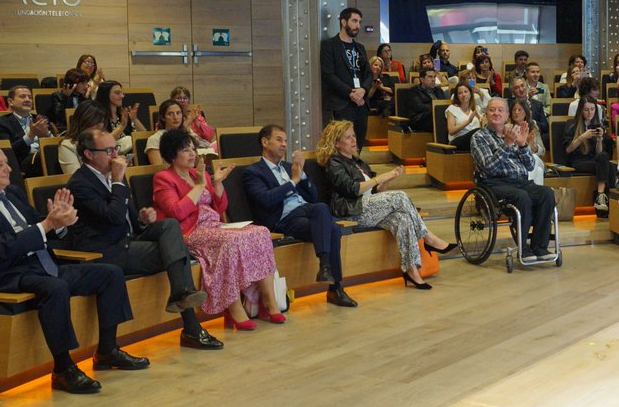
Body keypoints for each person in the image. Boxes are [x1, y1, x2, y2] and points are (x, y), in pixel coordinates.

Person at [0, 143, 145, 394]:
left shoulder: (13, 193)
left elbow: (41, 228)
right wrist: (46, 225)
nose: (9, 169)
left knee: (110, 273)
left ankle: (107, 350)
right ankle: (63, 368)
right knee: (55, 287)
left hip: (40, 265)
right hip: (4, 275)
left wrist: (59, 222)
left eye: (7, 162)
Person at [66, 128, 221, 349]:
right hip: (107, 250)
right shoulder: (80, 184)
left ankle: (181, 297)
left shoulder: (113, 175)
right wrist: (119, 181)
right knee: (178, 250)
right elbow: (112, 216)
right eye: (109, 150)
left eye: (116, 149)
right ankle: (190, 324)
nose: (115, 155)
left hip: (130, 239)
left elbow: (125, 217)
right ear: (89, 154)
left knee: (168, 225)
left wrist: (142, 218)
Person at [153, 129, 284, 329]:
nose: (192, 154)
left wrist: (217, 184)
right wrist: (199, 185)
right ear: (172, 154)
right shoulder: (164, 178)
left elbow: (220, 207)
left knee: (261, 232)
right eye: (185, 150)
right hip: (191, 231)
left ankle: (269, 303)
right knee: (230, 242)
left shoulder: (199, 174)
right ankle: (234, 308)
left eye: (192, 149)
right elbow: (176, 212)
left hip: (214, 225)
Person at [317, 120, 456, 289]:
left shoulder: (359, 163)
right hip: (352, 211)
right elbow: (353, 190)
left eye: (353, 136)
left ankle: (412, 271)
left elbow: (376, 193)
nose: (354, 140)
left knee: (402, 219)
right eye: (348, 137)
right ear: (337, 143)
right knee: (400, 196)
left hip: (369, 208)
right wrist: (380, 177)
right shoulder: (334, 163)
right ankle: (428, 238)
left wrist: (388, 179)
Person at [242, 125, 355, 307]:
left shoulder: (289, 167)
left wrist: (301, 175)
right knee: (330, 225)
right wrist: (293, 181)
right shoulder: (253, 172)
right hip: (282, 220)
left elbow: (313, 197)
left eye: (286, 141)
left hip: (305, 213)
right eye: (279, 140)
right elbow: (266, 200)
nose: (284, 144)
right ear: (265, 142)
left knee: (327, 219)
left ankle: (328, 272)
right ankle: (335, 287)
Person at [471, 97, 557, 263]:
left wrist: (523, 145)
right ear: (486, 114)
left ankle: (539, 246)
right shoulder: (479, 137)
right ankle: (522, 247)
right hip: (494, 184)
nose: (496, 113)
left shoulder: (514, 133)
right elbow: (489, 168)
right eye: (492, 110)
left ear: (507, 115)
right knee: (521, 197)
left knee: (546, 193)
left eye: (500, 110)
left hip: (520, 181)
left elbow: (531, 165)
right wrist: (507, 144)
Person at [320, 6, 373, 149]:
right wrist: (351, 93)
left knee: (358, 142)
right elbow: (329, 75)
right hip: (342, 103)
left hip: (361, 103)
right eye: (354, 21)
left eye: (359, 22)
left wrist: (363, 90)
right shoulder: (329, 45)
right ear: (344, 22)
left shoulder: (360, 48)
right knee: (344, 144)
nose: (358, 26)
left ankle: (357, 170)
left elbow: (368, 74)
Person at [0, 85, 52, 177]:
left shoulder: (40, 119)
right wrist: (30, 136)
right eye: (22, 97)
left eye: (30, 97)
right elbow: (6, 152)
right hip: (20, 162)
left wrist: (47, 136)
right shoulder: (2, 123)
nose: (28, 100)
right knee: (43, 157)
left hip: (44, 156)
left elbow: (52, 144)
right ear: (10, 102)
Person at [563, 96, 612, 214]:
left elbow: (599, 154)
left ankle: (600, 197)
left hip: (594, 160)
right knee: (609, 167)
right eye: (586, 110)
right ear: (580, 110)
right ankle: (603, 201)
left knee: (605, 158)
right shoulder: (572, 125)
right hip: (578, 161)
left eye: (592, 109)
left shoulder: (597, 125)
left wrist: (600, 139)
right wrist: (582, 137)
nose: (590, 113)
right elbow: (568, 149)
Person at [94, 81, 143, 157]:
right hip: (108, 156)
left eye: (122, 93)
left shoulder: (123, 114)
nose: (122, 96)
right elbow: (103, 143)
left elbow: (143, 137)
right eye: (117, 93)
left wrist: (135, 119)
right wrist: (122, 126)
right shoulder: (98, 117)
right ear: (106, 95)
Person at [59, 101, 109, 174]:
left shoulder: (104, 143)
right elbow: (76, 178)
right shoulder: (68, 146)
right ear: (83, 121)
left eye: (101, 121)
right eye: (94, 121)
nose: (99, 126)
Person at [170, 86, 218, 155]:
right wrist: (189, 120)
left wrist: (197, 122)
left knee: (221, 142)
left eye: (185, 98)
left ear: (189, 101)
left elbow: (209, 137)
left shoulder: (195, 114)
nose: (182, 101)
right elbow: (173, 137)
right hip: (184, 148)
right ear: (172, 100)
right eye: (178, 98)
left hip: (204, 145)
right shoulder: (169, 116)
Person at [509, 98, 546, 186]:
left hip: (534, 161)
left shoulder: (533, 127)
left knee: (534, 157)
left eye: (519, 109)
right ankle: (536, 197)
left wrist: (532, 144)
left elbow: (543, 152)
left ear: (525, 112)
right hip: (517, 163)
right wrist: (524, 143)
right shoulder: (508, 129)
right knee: (539, 171)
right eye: (514, 110)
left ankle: (525, 185)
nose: (516, 112)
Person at [48, 68, 90, 133]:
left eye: (86, 83)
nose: (86, 86)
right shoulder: (57, 96)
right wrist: (66, 97)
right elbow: (59, 118)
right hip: (65, 130)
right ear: (72, 84)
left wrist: (86, 99)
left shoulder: (83, 96)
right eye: (82, 83)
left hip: (82, 129)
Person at [402, 67, 442, 134]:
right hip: (419, 120)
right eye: (430, 77)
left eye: (434, 77)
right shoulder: (413, 91)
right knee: (436, 115)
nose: (433, 79)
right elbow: (420, 107)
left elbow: (444, 104)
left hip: (436, 116)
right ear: (422, 79)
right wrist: (437, 108)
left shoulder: (439, 91)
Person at [145, 99, 185, 166]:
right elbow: (159, 168)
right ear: (163, 117)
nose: (175, 117)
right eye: (170, 114)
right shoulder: (155, 139)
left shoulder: (186, 136)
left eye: (178, 113)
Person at [445, 81, 482, 151]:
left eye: (466, 91)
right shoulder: (452, 109)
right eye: (460, 93)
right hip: (458, 142)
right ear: (457, 96)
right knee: (477, 132)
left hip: (475, 140)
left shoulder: (476, 109)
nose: (463, 94)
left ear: (470, 93)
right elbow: (451, 131)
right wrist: (468, 121)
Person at [508, 75, 548, 141]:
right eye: (516, 88)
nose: (521, 89)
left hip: (534, 137)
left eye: (522, 86)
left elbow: (545, 127)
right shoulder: (508, 105)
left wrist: (532, 122)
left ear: (526, 86)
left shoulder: (537, 104)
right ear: (512, 91)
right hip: (514, 138)